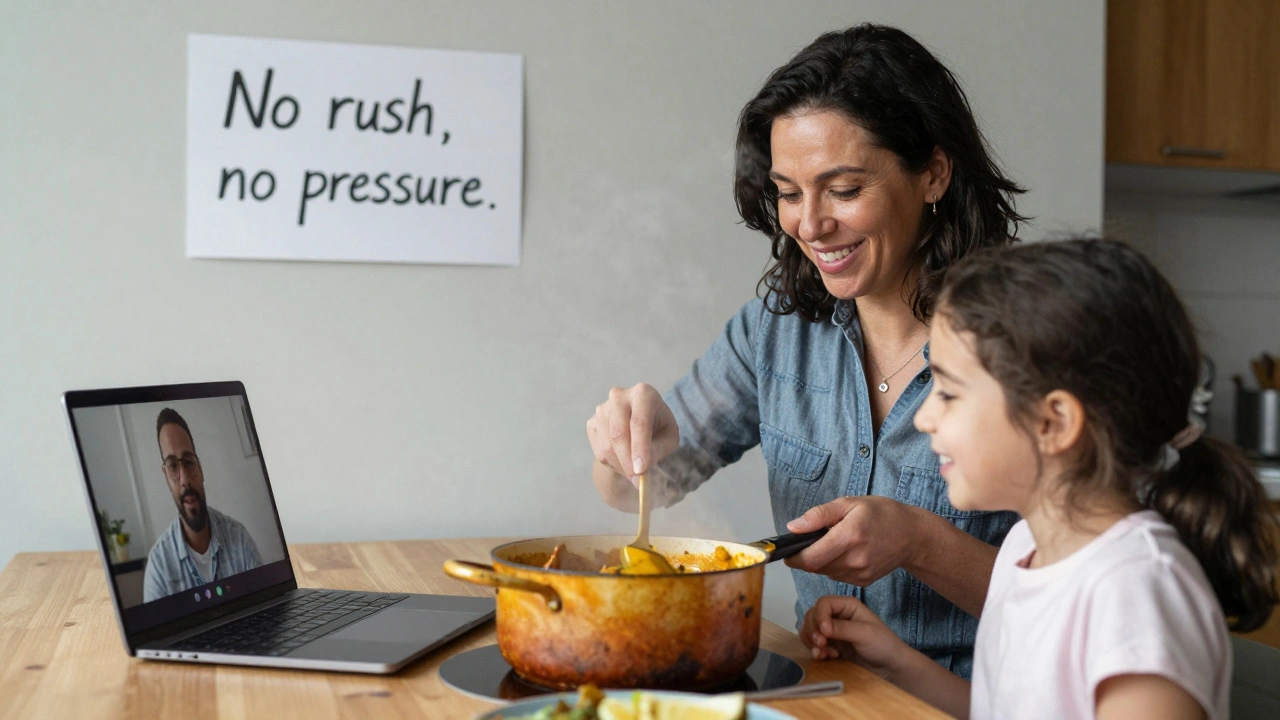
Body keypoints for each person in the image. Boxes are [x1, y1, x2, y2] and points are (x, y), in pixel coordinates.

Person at [586, 23, 1026, 677]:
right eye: (789, 193)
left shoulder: (1030, 339)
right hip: (820, 694)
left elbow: (1098, 603)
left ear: (933, 173)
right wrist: (634, 444)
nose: (810, 225)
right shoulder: (778, 328)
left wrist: (919, 543)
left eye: (844, 190)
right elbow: (627, 492)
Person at [802, 239, 1279, 719]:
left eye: (948, 392)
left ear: (1052, 422)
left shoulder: (1134, 595)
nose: (924, 419)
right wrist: (896, 665)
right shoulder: (1027, 547)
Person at [143, 408, 263, 603]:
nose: (185, 480)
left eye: (189, 462)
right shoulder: (159, 568)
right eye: (173, 466)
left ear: (200, 468)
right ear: (166, 477)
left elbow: (267, 615)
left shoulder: (240, 540)